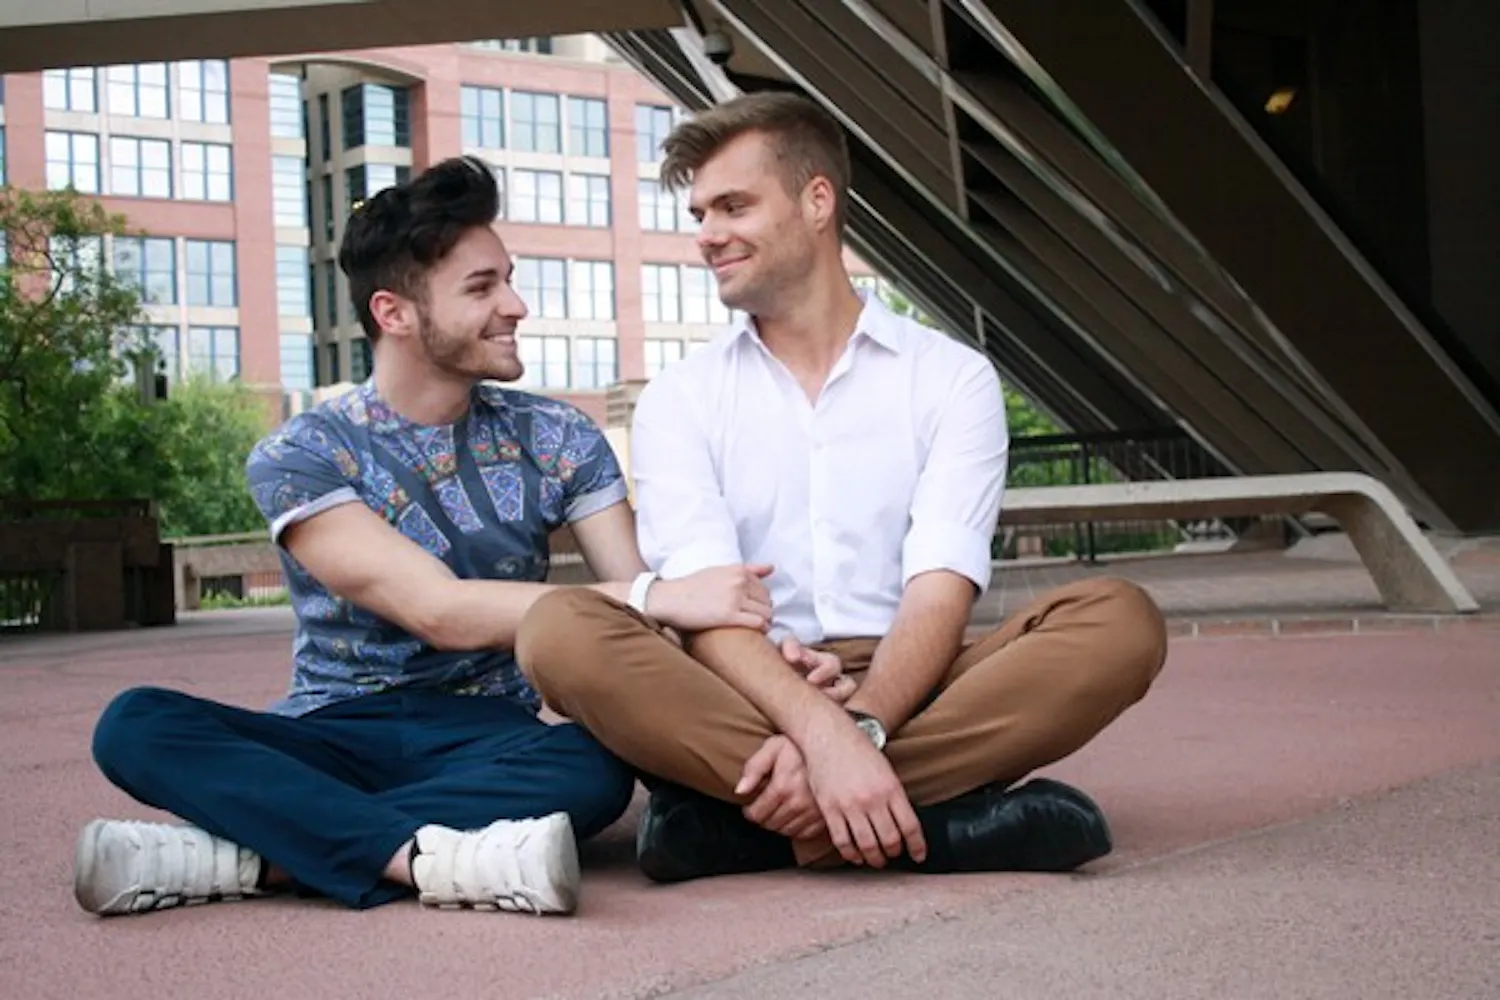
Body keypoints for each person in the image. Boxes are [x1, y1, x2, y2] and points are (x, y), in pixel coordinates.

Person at [74, 156, 777, 918]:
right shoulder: (302, 454)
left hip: (493, 738)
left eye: (507, 278)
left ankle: (258, 854)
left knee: (594, 768)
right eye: (482, 288)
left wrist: (763, 669)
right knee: (135, 724)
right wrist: (658, 595)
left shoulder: (558, 435)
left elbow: (639, 616)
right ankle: (434, 857)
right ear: (395, 312)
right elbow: (435, 610)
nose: (515, 305)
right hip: (331, 732)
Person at [517, 93, 1170, 883]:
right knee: (558, 630)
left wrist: (858, 726)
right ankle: (937, 823)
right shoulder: (679, 399)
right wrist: (817, 731)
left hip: (914, 684)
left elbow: (939, 591)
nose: (707, 234)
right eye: (699, 212)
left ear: (816, 200)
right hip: (738, 686)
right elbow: (711, 608)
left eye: (733, 205)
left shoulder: (950, 379)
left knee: (1119, 622)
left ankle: (749, 829)